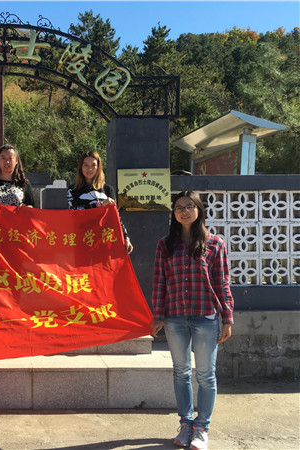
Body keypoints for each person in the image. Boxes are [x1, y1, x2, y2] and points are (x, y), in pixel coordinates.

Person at [151, 190, 234, 450]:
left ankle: (202, 428)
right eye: (179, 207)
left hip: (205, 316)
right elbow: (159, 282)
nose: (184, 211)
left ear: (198, 209)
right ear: (173, 213)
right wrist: (157, 315)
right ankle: (186, 423)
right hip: (175, 318)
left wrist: (227, 317)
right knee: (181, 372)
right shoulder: (165, 245)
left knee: (206, 374)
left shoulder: (215, 243)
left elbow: (222, 282)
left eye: (189, 206)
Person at [67, 150, 133, 254]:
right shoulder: (72, 190)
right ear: (81, 167)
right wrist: (99, 205)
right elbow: (74, 213)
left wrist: (126, 237)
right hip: (82, 240)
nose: (89, 169)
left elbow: (116, 217)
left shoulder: (108, 190)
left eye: (93, 165)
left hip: (104, 240)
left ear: (98, 167)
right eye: (86, 165)